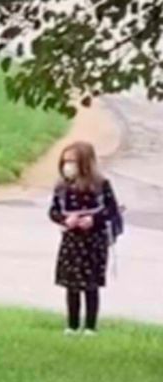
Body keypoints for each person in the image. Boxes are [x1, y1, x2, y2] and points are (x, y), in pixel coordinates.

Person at [48, 141, 120, 336]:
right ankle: (71, 324)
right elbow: (53, 211)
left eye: (72, 161)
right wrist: (65, 220)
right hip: (71, 240)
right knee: (71, 284)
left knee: (91, 284)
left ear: (85, 163)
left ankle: (90, 325)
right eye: (65, 161)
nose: (67, 166)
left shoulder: (101, 185)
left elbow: (111, 210)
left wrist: (93, 220)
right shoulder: (62, 187)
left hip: (94, 241)